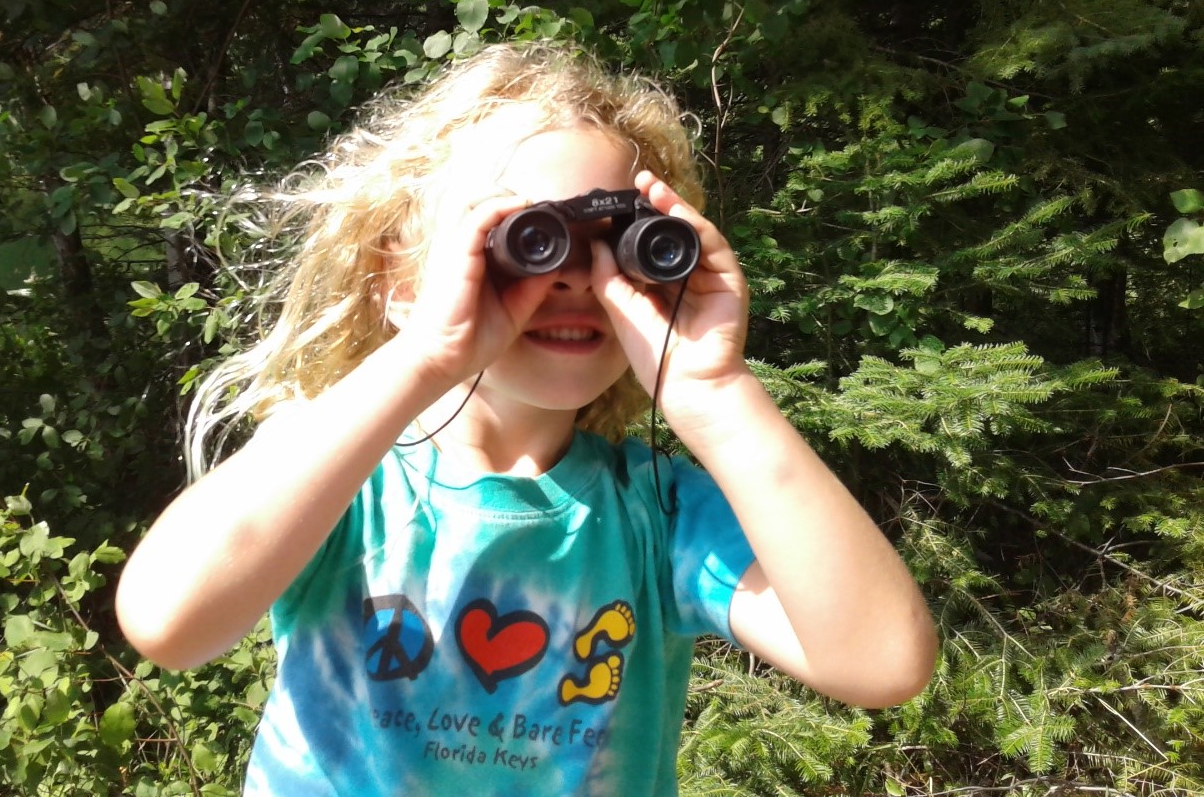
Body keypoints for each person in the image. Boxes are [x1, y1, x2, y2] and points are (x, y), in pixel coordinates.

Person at [116, 42, 938, 796]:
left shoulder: (658, 512)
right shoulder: (338, 471)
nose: (576, 278)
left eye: (616, 240)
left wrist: (715, 393)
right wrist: (423, 358)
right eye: (528, 238)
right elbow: (170, 623)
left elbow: (882, 662)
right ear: (400, 282)